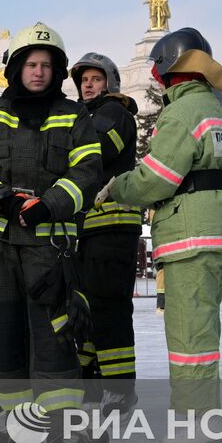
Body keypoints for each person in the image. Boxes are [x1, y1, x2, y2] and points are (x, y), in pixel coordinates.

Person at [0, 22, 104, 443]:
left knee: (55, 346)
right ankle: (18, 434)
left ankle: (63, 439)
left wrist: (50, 205)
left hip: (49, 254)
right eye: (31, 64)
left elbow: (88, 172)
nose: (38, 72)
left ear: (57, 71)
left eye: (46, 65)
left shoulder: (74, 116)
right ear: (15, 68)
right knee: (4, 347)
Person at [107, 27, 222, 443]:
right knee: (203, 335)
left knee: (187, 338)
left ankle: (192, 428)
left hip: (191, 232)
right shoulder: (216, 110)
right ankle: (208, 421)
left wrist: (116, 189)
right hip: (218, 228)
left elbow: (158, 178)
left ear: (170, 69)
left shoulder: (182, 113)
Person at [69, 53, 143, 411]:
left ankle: (120, 388)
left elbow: (94, 151)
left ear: (109, 83)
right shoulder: (88, 115)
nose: (88, 84)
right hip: (91, 230)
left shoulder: (114, 113)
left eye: (95, 79)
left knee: (109, 308)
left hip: (111, 227)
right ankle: (93, 382)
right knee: (89, 307)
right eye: (84, 79)